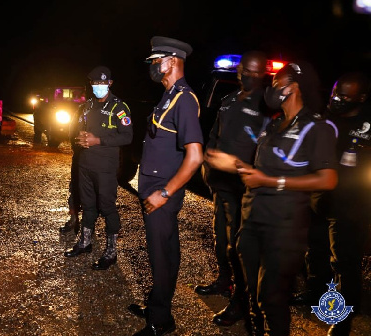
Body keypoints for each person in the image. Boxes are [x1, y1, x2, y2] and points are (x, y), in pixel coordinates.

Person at [206, 62, 338, 335]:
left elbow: (328, 179)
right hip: (253, 221)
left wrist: (271, 181)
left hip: (285, 227)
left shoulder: (316, 127)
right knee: (252, 297)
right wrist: (235, 165)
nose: (272, 88)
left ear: (294, 87)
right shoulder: (275, 123)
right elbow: (260, 171)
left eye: (278, 83)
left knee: (272, 298)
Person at [129, 36, 204, 336]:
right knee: (164, 249)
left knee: (161, 253)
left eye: (155, 60)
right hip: (153, 187)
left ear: (172, 61)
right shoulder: (168, 96)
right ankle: (158, 304)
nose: (152, 66)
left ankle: (161, 320)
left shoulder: (184, 99)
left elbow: (195, 156)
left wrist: (164, 193)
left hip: (162, 190)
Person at [194, 51, 271, 328]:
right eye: (243, 71)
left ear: (263, 74)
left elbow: (266, 153)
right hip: (220, 186)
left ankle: (240, 303)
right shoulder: (228, 101)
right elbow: (214, 134)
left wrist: (238, 168)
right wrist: (207, 164)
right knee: (220, 239)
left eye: (253, 72)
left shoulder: (266, 106)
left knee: (241, 249)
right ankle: (224, 281)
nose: (246, 76)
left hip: (244, 190)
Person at [293, 72, 370, 336]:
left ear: (360, 98)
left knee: (344, 262)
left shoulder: (368, 123)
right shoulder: (324, 118)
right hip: (319, 198)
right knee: (315, 251)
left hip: (351, 204)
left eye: (345, 96)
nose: (337, 99)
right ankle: (316, 295)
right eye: (335, 93)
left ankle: (343, 316)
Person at [63, 65, 133, 271]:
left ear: (110, 83)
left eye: (103, 82)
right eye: (95, 83)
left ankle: (111, 252)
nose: (98, 86)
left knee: (107, 206)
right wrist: (80, 139)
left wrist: (98, 140)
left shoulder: (119, 107)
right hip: (84, 165)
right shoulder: (85, 106)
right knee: (87, 204)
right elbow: (76, 132)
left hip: (105, 167)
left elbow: (127, 136)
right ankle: (85, 242)